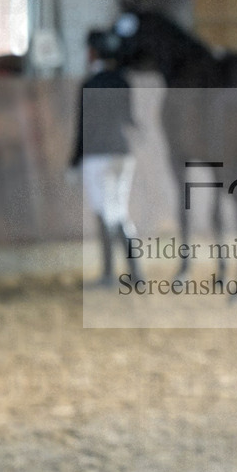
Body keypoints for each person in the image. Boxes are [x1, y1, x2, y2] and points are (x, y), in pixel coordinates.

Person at [70, 28, 143, 287]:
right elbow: (130, 119)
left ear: (93, 53)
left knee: (103, 213)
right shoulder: (123, 81)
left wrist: (74, 161)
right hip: (123, 153)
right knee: (119, 212)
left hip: (97, 156)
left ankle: (108, 274)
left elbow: (82, 128)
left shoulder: (89, 84)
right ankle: (136, 273)